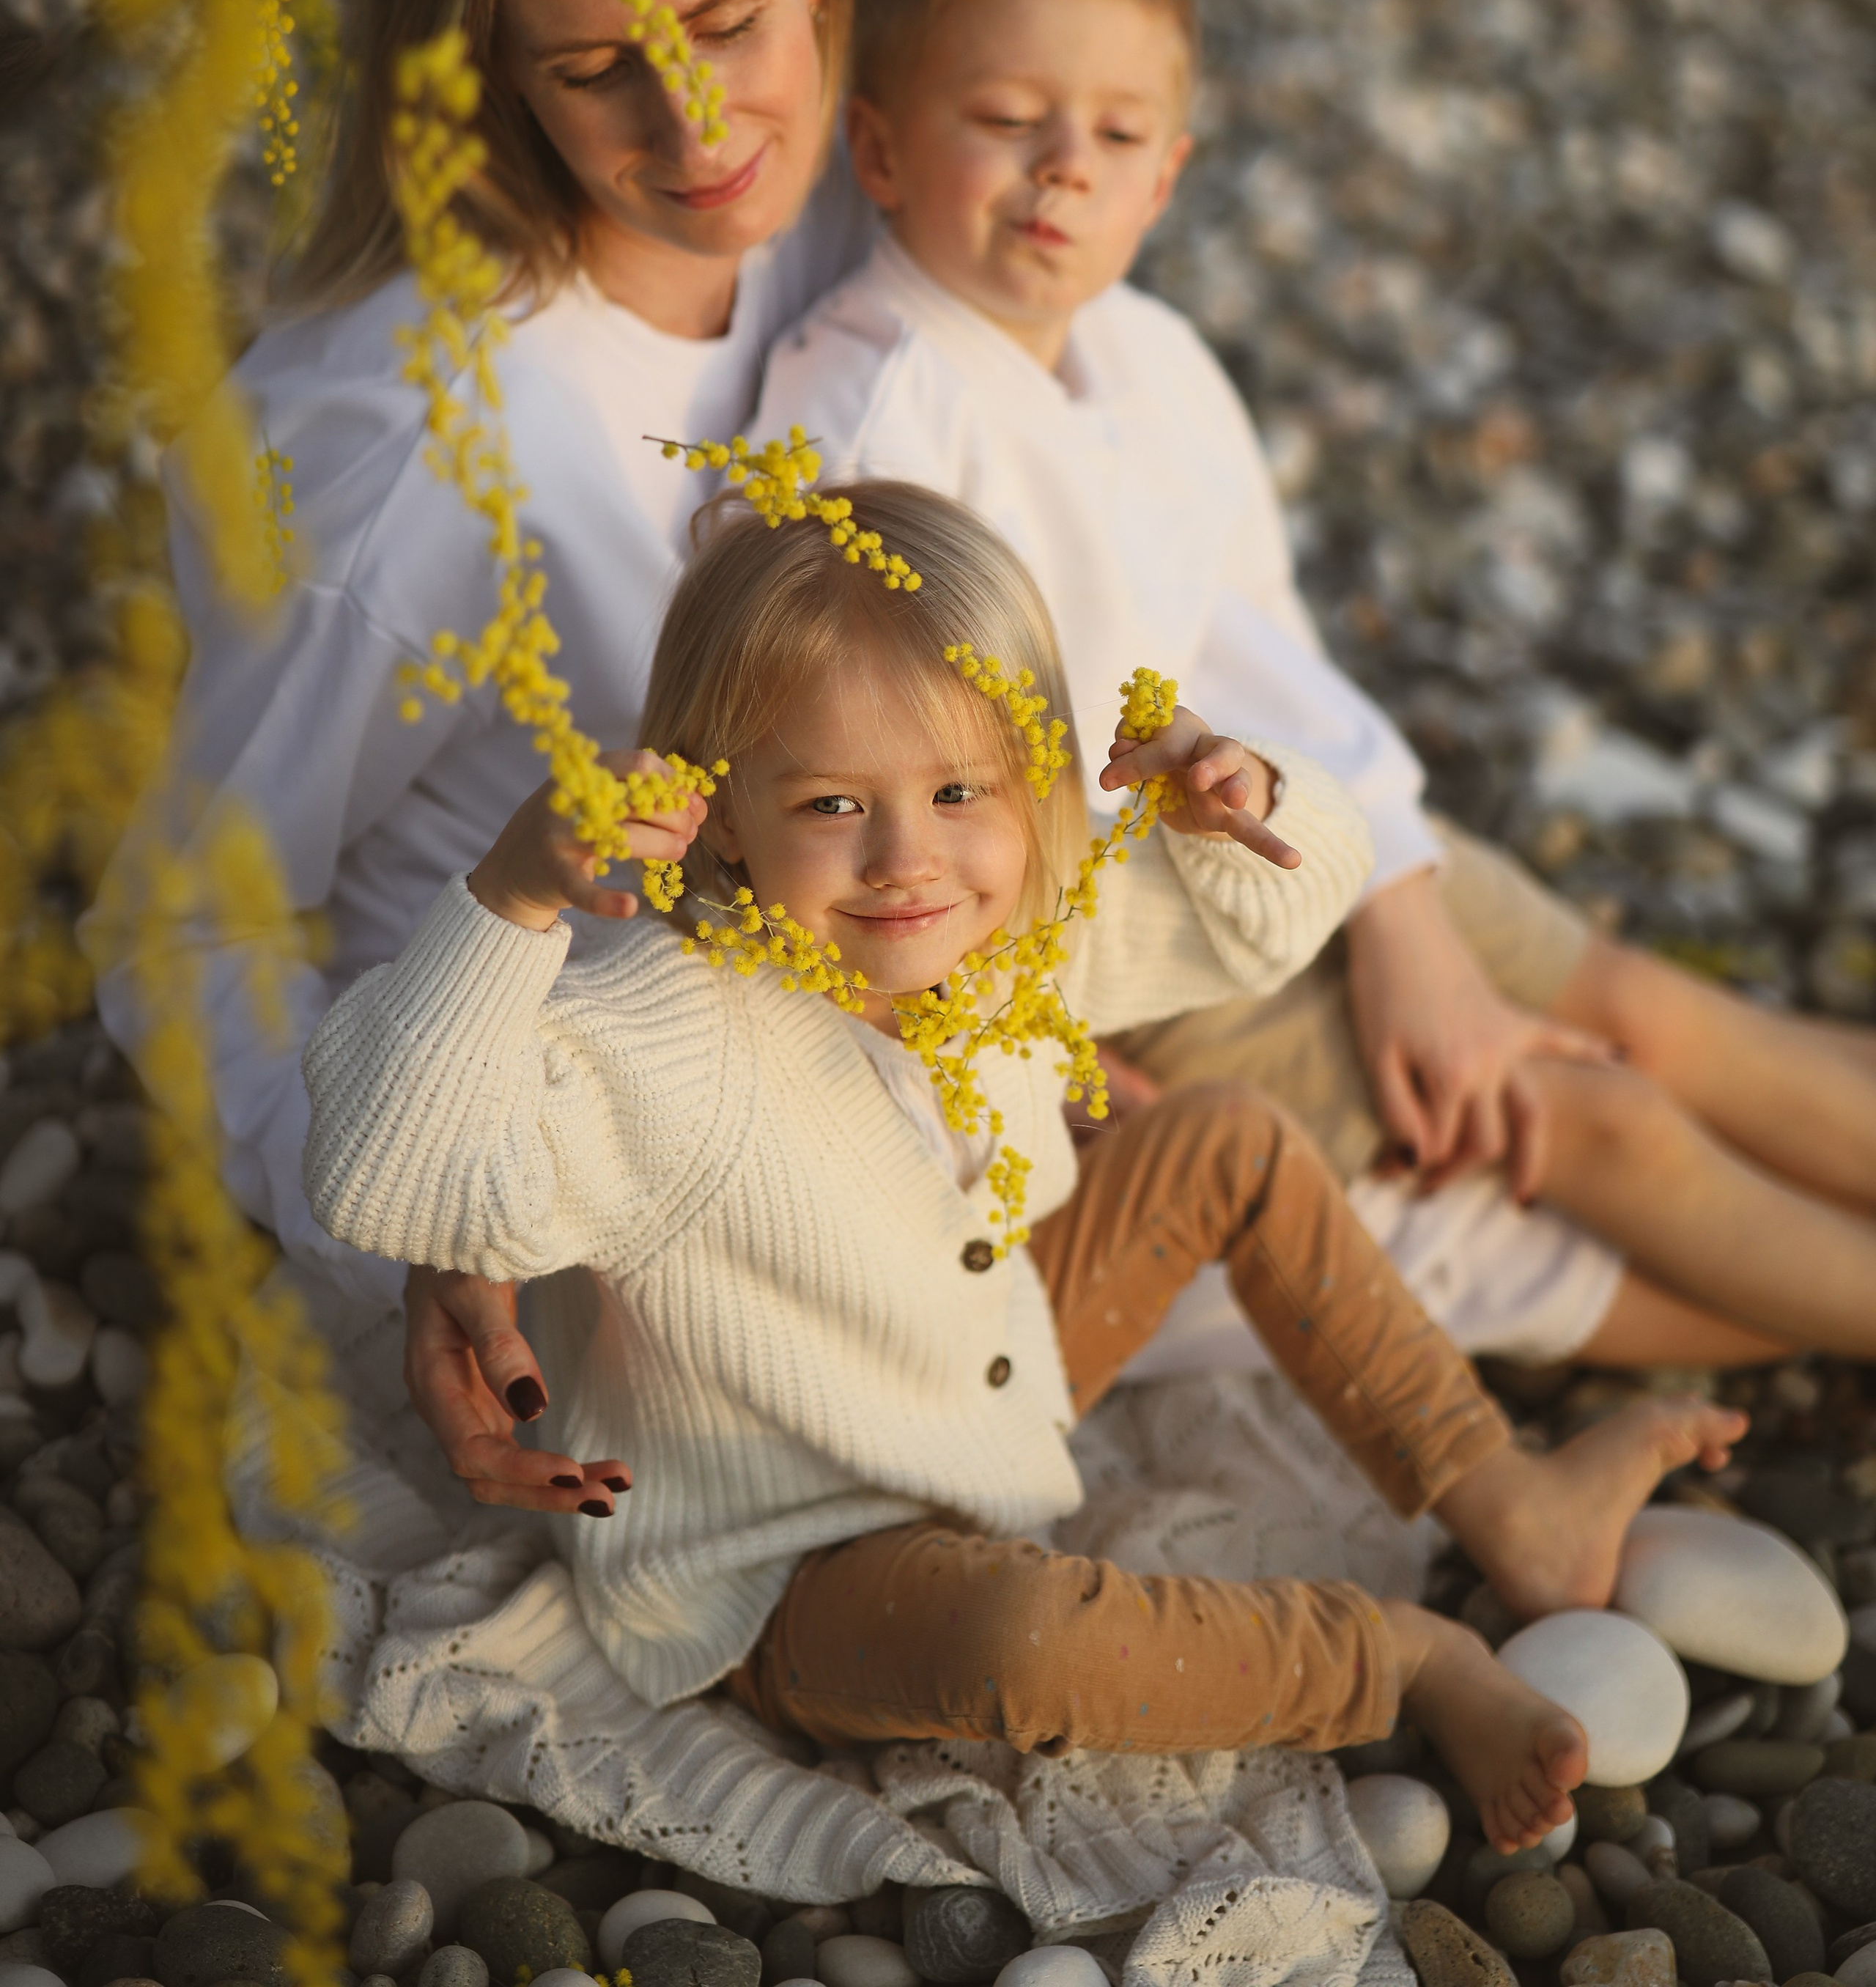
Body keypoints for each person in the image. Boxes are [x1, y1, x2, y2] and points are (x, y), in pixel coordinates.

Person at [300, 479, 1744, 1846]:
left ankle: (1507, 1501)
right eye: (826, 806)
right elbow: (385, 1173)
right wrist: (508, 900)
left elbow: (1266, 922)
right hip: (785, 1557)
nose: (902, 864)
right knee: (1020, 1642)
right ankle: (1400, 1657)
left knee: (1227, 1138)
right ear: (714, 813)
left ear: (1029, 779)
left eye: (955, 794)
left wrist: (1237, 793)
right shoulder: (664, 1036)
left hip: (982, 1377)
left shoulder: (1009, 937)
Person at [745, 0, 1876, 1368]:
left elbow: (1250, 642)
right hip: (1117, 956)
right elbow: (859, 792)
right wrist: (1020, 1054)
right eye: (1006, 122)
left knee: (1653, 1015)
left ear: (1169, 172)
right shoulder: (866, 415)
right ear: (875, 150)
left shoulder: (1149, 360)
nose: (1064, 165)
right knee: (1572, 1116)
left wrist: (1395, 900)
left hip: (1297, 829)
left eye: (1116, 131)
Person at [86, 0, 874, 1514]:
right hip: (587, 1192)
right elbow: (186, 933)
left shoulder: (827, 211)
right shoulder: (428, 463)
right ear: (479, 74)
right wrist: (410, 1241)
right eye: (597, 72)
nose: (695, 130)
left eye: (731, 19)